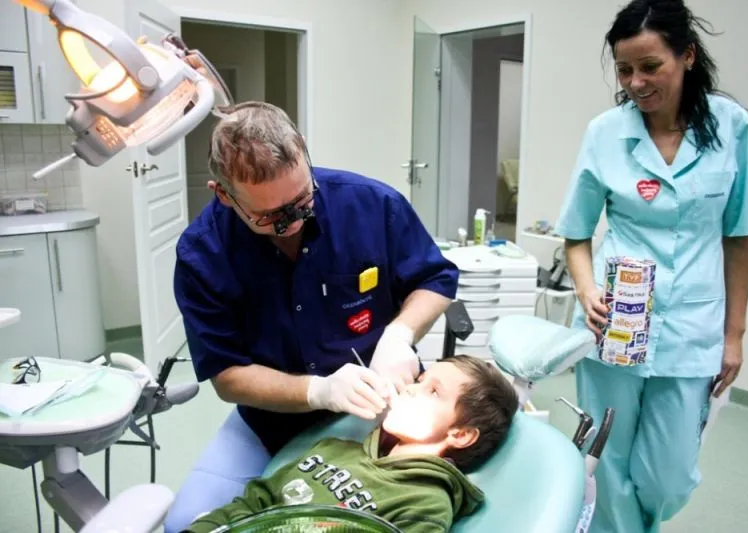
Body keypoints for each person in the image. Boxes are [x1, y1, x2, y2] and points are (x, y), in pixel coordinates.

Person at [164, 102, 459, 532]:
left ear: (303, 150)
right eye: (270, 216)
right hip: (272, 422)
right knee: (183, 524)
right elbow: (228, 377)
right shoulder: (202, 255)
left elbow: (434, 279)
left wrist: (399, 334)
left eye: (302, 200)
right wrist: (318, 391)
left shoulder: (372, 205)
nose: (293, 222)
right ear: (224, 195)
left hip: (379, 407)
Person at [555, 1, 748, 532]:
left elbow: (738, 238)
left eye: (650, 66)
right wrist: (586, 291)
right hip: (615, 323)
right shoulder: (605, 132)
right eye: (624, 69)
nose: (636, 82)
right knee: (606, 460)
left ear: (687, 56)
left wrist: (735, 336)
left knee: (668, 477)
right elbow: (576, 235)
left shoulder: (731, 127)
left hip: (692, 328)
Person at [180, 355, 520, 533]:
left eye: (433, 391)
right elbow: (258, 500)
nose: (410, 388)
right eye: (419, 380)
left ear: (460, 434)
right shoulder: (334, 448)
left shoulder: (425, 502)